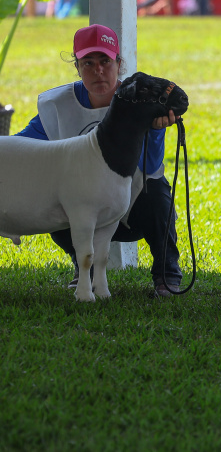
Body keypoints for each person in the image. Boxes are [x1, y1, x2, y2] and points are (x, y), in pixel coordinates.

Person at [15, 24, 184, 297]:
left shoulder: (141, 102)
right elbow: (23, 148)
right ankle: (86, 270)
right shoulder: (59, 105)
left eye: (105, 61)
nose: (98, 70)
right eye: (88, 63)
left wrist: (155, 130)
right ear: (77, 66)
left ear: (119, 63)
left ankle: (167, 273)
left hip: (131, 203)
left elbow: (151, 167)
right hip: (80, 206)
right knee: (57, 199)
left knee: (157, 192)